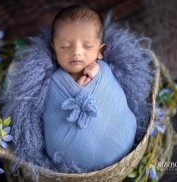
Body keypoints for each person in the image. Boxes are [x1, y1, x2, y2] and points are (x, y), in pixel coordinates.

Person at [42, 5, 137, 172]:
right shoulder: (53, 81)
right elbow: (50, 113)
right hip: (71, 156)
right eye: (65, 46)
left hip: (118, 134)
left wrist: (99, 74)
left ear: (100, 51)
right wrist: (75, 94)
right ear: (53, 49)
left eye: (87, 46)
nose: (77, 52)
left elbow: (115, 98)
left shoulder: (103, 70)